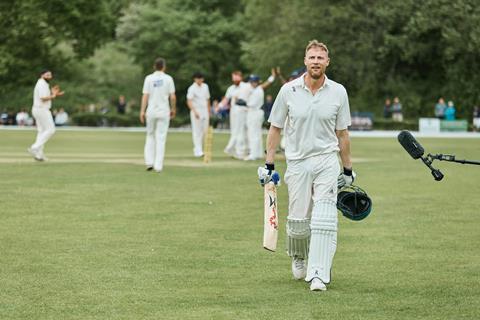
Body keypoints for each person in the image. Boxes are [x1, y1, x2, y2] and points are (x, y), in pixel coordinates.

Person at [258, 40, 354, 292]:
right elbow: (275, 128)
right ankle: (299, 256)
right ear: (305, 61)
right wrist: (269, 164)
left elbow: (342, 133)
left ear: (327, 62)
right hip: (298, 162)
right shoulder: (288, 91)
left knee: (324, 219)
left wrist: (347, 170)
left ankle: (319, 273)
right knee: (299, 222)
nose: (315, 62)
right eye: (311, 57)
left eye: (320, 58)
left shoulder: (338, 91)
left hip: (326, 160)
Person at [140, 57, 176, 172]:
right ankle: (158, 166)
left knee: (150, 135)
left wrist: (142, 111)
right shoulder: (168, 79)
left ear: (154, 66)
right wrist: (173, 108)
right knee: (161, 138)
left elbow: (145, 95)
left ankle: (149, 162)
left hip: (151, 111)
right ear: (164, 67)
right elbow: (173, 96)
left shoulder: (149, 78)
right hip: (164, 111)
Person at [28, 69, 64, 161]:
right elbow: (43, 98)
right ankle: (34, 147)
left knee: (41, 131)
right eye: (47, 75)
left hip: (38, 109)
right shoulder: (41, 84)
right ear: (42, 75)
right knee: (51, 130)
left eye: (50, 75)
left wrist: (54, 94)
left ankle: (38, 155)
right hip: (42, 110)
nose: (49, 77)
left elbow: (45, 97)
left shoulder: (44, 84)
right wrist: (53, 96)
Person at [186, 72, 211, 157]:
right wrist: (195, 111)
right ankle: (198, 150)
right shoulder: (192, 88)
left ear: (202, 79)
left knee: (205, 131)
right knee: (197, 131)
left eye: (200, 78)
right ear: (195, 79)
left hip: (204, 111)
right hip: (196, 110)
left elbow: (208, 99)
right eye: (197, 78)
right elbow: (189, 101)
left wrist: (208, 111)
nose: (199, 80)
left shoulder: (205, 86)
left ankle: (201, 149)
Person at [245, 74, 265, 160]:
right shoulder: (256, 90)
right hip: (254, 112)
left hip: (255, 112)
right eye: (251, 82)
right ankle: (258, 154)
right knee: (256, 133)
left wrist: (244, 103)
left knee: (253, 134)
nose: (252, 83)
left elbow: (252, 104)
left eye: (254, 82)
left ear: (257, 82)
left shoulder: (258, 91)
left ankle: (253, 154)